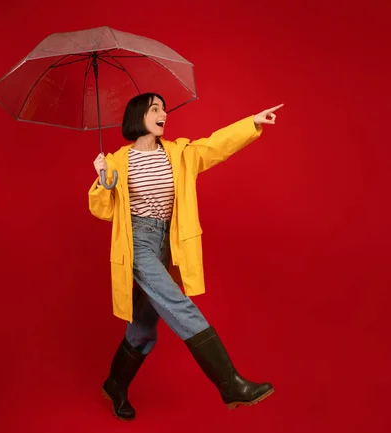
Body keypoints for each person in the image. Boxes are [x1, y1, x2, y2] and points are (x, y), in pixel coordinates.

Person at [88, 92, 283, 421]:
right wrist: (104, 180)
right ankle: (230, 384)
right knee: (180, 305)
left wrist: (251, 123)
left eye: (163, 108)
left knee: (143, 329)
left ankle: (114, 385)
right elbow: (102, 210)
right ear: (138, 116)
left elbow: (213, 146)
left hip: (167, 242)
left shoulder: (177, 152)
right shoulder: (118, 160)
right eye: (154, 108)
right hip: (137, 243)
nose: (163, 113)